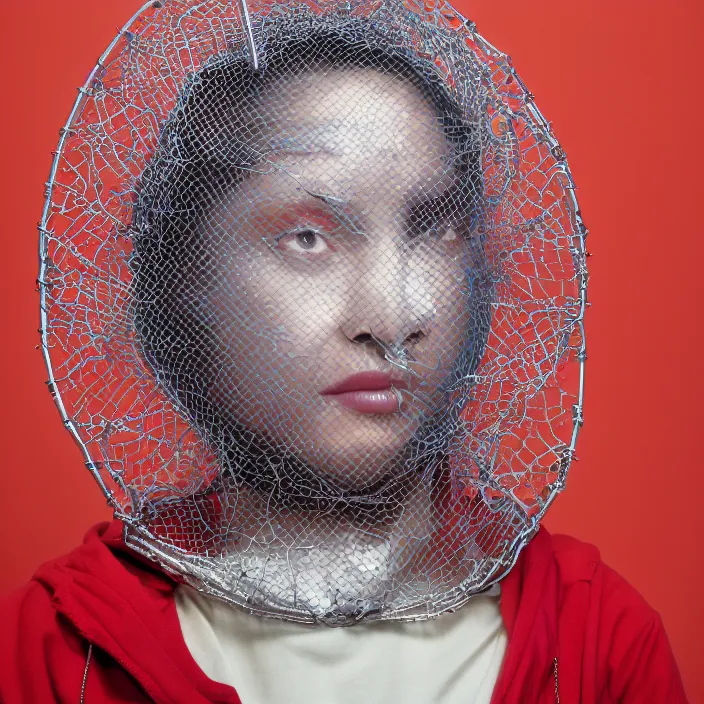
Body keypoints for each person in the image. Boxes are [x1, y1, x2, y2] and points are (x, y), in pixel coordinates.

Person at [0, 1, 687, 702]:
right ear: (182, 282)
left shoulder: (597, 642)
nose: (389, 317)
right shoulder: (58, 653)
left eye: (433, 231)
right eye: (309, 238)